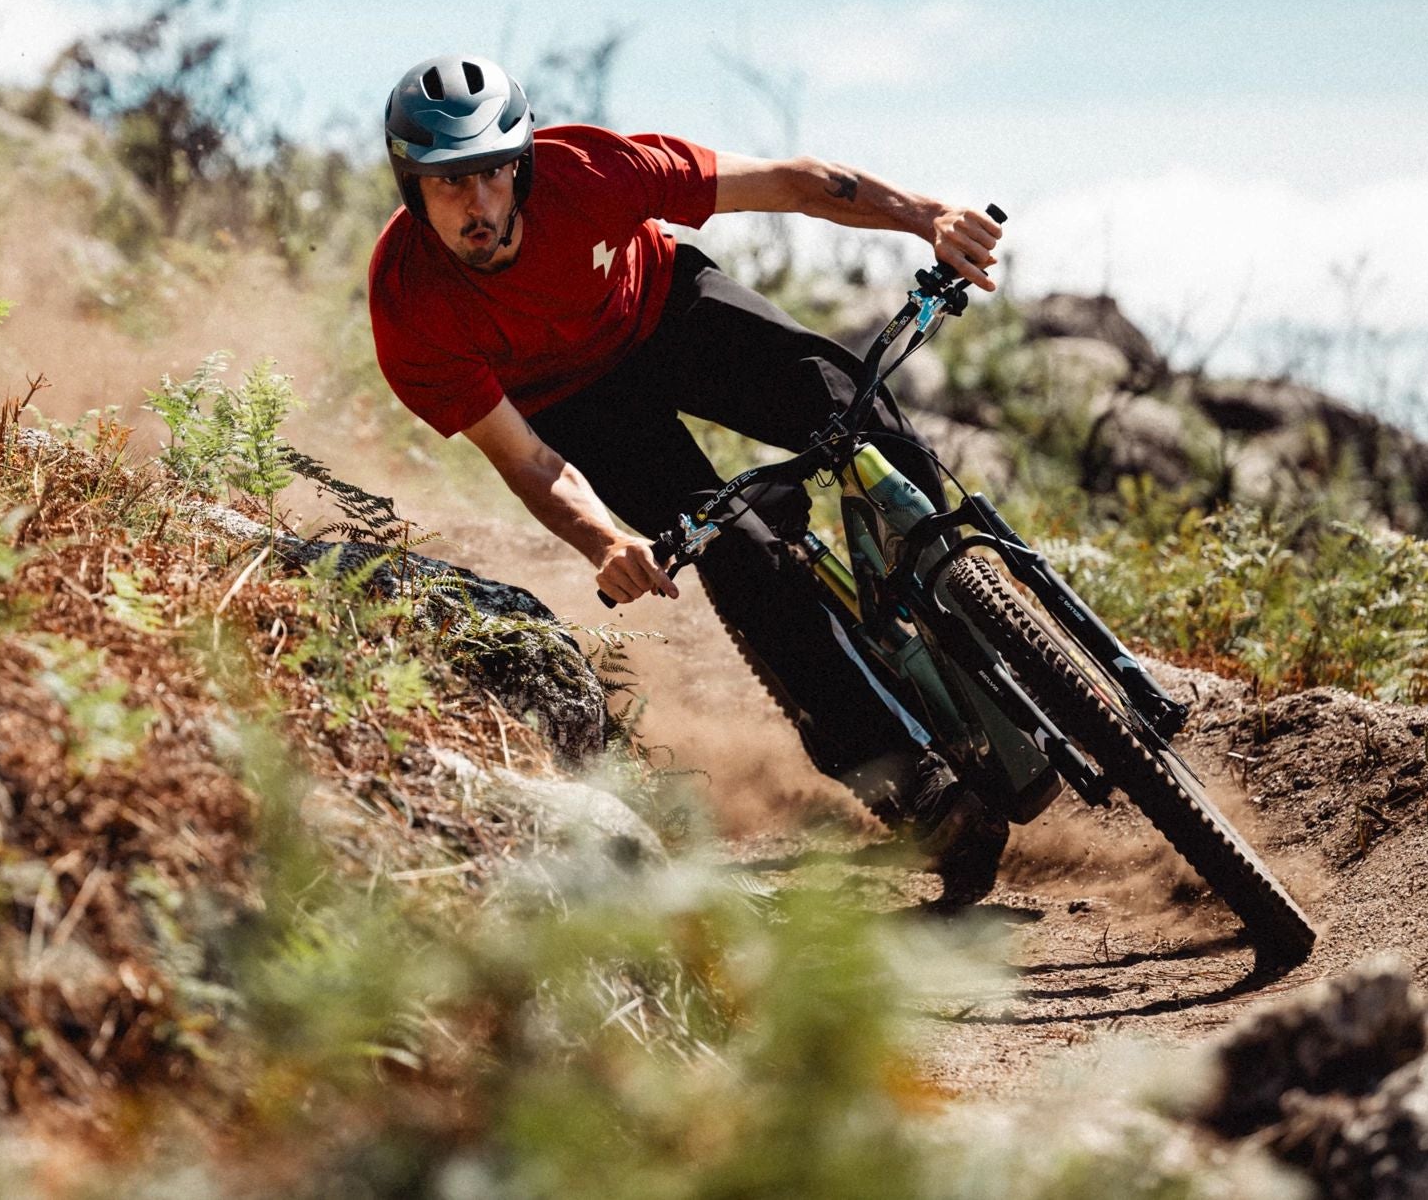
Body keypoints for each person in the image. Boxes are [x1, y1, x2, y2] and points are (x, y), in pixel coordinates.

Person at [367, 53, 1011, 900]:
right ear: (411, 187)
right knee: (738, 553)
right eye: (450, 184)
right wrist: (605, 541)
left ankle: (984, 609)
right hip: (577, 405)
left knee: (863, 417)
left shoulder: (590, 173)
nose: (479, 206)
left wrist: (928, 215)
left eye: (493, 174)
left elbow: (793, 184)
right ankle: (911, 789)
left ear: (523, 165)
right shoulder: (410, 306)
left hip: (668, 310)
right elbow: (528, 459)